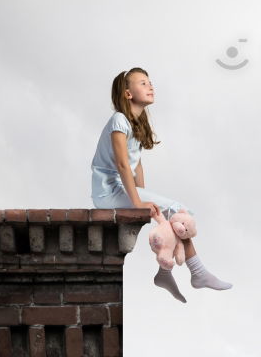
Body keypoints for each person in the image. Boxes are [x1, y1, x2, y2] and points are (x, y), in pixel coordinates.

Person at [91, 67, 232, 302]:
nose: (150, 86)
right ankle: (196, 272)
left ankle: (165, 273)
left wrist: (143, 201)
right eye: (143, 83)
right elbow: (123, 165)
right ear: (128, 94)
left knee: (170, 217)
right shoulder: (119, 120)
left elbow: (137, 165)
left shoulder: (137, 122)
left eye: (150, 82)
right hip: (107, 191)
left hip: (122, 189)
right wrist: (137, 203)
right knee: (178, 210)